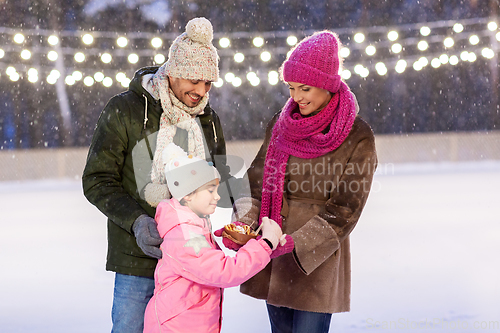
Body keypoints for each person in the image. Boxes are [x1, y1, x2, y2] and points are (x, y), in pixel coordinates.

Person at [221, 31, 378, 333]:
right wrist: (243, 225)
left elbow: (346, 207)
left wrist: (296, 244)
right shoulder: (281, 126)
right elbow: (255, 183)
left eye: (304, 88)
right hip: (272, 256)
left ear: (328, 84)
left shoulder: (357, 136)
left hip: (315, 264)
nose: (296, 97)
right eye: (292, 88)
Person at [82, 17, 231, 333]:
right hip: (137, 259)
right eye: (194, 80)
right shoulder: (126, 110)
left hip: (191, 258)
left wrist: (238, 216)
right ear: (174, 70)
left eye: (209, 83)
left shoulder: (208, 119)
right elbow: (97, 179)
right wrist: (137, 222)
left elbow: (219, 179)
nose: (201, 91)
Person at [143, 143, 288, 333]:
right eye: (211, 190)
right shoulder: (184, 234)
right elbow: (225, 272)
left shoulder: (190, 225)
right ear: (187, 194)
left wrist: (250, 241)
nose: (217, 197)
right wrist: (266, 243)